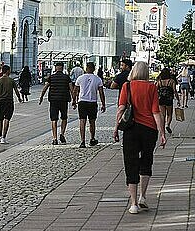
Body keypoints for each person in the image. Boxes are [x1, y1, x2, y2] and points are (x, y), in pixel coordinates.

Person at [113, 61, 166, 214]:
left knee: (131, 163)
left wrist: (116, 128)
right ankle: (143, 196)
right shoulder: (152, 87)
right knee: (146, 160)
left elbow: (121, 109)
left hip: (130, 129)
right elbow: (156, 112)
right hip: (149, 129)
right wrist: (162, 133)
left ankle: (134, 204)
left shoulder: (127, 86)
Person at [73, 62, 106, 148]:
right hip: (92, 102)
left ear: (86, 68)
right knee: (92, 121)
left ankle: (82, 141)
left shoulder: (80, 78)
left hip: (82, 102)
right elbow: (101, 93)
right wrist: (103, 104)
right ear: (94, 69)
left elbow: (75, 91)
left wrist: (74, 101)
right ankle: (92, 139)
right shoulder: (98, 79)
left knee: (82, 121)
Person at [38, 62, 72, 145]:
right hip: (63, 100)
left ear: (56, 68)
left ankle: (54, 138)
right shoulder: (66, 77)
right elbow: (71, 89)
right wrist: (74, 99)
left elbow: (45, 88)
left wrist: (41, 97)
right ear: (63, 68)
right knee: (64, 118)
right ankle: (62, 134)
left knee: (54, 119)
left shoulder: (51, 77)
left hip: (53, 101)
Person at [0, 65, 23, 144]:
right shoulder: (11, 80)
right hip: (9, 102)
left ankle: (0, 134)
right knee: (7, 119)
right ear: (7, 71)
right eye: (9, 70)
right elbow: (16, 91)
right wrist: (19, 98)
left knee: (0, 119)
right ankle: (4, 138)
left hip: (0, 102)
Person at [155, 68, 179, 134]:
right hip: (169, 99)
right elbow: (175, 91)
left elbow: (155, 90)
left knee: (162, 115)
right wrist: (178, 100)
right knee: (169, 114)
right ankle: (167, 125)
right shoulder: (171, 81)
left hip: (161, 100)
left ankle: (162, 130)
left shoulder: (159, 82)